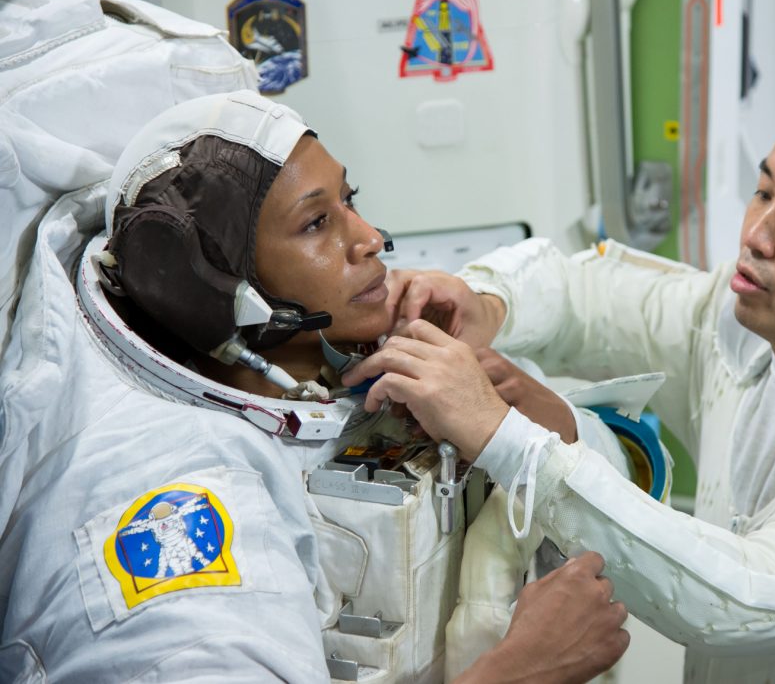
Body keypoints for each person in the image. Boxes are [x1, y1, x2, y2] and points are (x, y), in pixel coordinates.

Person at [348, 71, 775, 682]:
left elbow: (743, 598)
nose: (757, 233)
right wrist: (488, 303)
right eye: (763, 191)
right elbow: (587, 290)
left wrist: (505, 437)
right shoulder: (747, 332)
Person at [0, 90, 632, 683]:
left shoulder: (375, 358)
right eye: (316, 225)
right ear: (211, 290)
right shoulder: (182, 505)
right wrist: (517, 671)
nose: (370, 239)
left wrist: (538, 419)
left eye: (349, 200)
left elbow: (629, 500)